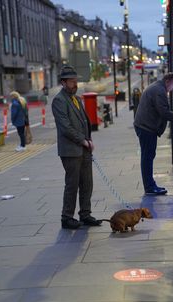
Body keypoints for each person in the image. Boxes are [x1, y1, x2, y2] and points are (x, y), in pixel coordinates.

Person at [52, 65, 102, 229]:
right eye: (72, 81)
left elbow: (83, 122)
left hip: (84, 148)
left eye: (76, 81)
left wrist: (87, 140)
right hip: (71, 151)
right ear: (63, 82)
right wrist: (82, 140)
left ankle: (85, 214)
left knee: (87, 183)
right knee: (72, 184)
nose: (75, 84)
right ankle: (66, 217)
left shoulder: (77, 99)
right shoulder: (59, 100)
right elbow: (65, 127)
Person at [134, 72, 173, 195]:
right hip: (146, 127)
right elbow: (163, 111)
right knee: (147, 157)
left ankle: (150, 185)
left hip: (145, 126)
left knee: (147, 156)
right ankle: (149, 187)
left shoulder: (158, 87)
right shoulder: (159, 91)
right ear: (168, 81)